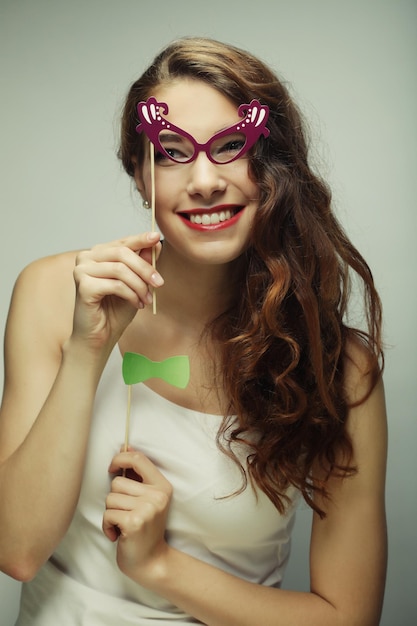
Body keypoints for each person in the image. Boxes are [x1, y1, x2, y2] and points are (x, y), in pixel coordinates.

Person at [0, 37, 387, 625]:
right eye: (173, 152)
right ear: (138, 172)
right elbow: (16, 550)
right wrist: (88, 349)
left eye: (232, 147)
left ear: (273, 165)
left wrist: (159, 566)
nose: (205, 181)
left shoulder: (338, 364)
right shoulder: (55, 293)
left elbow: (347, 618)